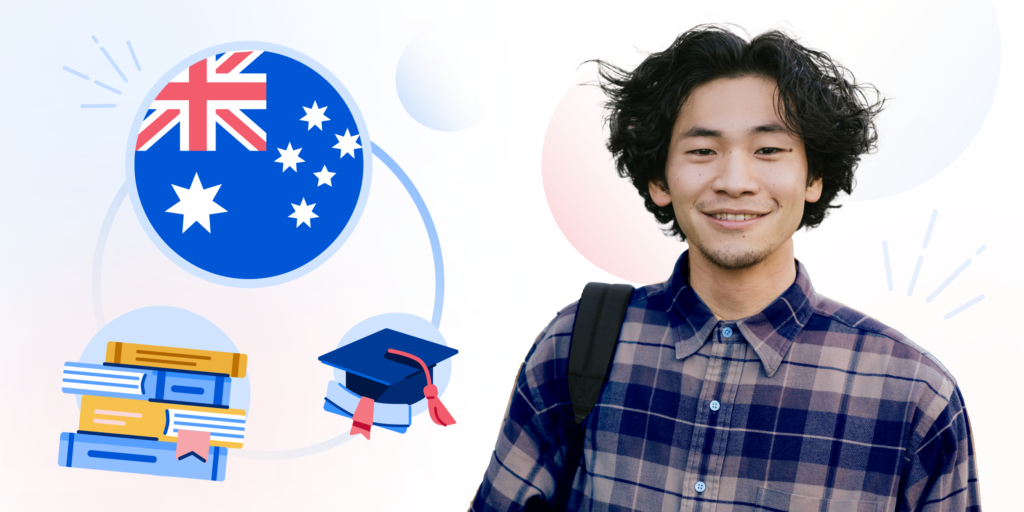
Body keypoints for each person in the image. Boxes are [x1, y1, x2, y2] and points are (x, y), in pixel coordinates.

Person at [471, 25, 981, 511]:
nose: (735, 180)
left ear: (814, 177)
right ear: (659, 180)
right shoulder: (576, 344)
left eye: (769, 150)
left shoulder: (913, 394)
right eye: (702, 150)